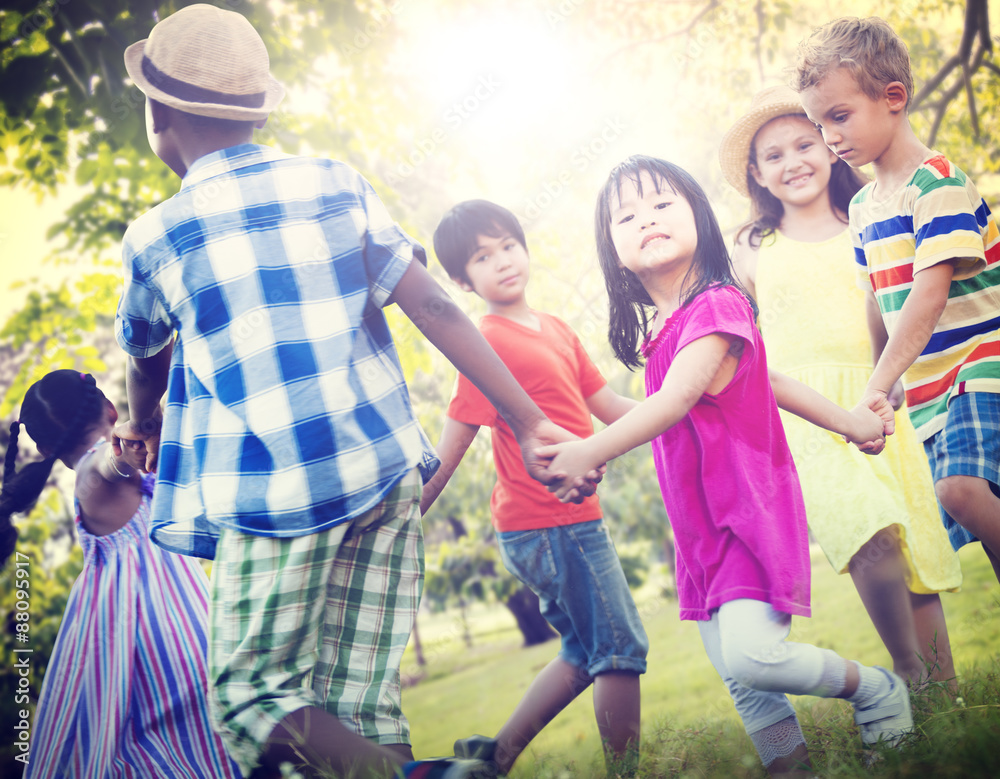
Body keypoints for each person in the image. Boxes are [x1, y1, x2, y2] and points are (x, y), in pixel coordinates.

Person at [111, 6, 590, 779]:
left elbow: (145, 357)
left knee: (249, 701)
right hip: (384, 474)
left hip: (275, 496)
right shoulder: (334, 184)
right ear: (257, 112)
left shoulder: (158, 236)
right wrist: (530, 420)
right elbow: (433, 304)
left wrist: (139, 424)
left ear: (157, 112)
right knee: (360, 702)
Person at [538, 155, 915, 777]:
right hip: (700, 530)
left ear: (699, 218)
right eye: (626, 215)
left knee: (752, 658)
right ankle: (790, 768)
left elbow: (675, 400)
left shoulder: (717, 305)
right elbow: (758, 383)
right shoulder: (668, 330)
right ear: (612, 249)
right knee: (740, 678)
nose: (646, 219)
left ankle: (877, 690)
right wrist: (849, 421)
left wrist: (592, 450)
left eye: (662, 204)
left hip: (746, 513)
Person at [720, 85, 962, 688]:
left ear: (830, 148)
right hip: (809, 416)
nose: (794, 161)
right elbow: (743, 343)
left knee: (913, 550)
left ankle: (944, 691)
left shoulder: (870, 220)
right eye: (773, 155)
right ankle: (905, 671)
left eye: (805, 143)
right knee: (867, 528)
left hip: (881, 397)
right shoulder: (751, 247)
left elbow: (902, 307)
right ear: (756, 173)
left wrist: (899, 374)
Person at [422, 199, 647, 776]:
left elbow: (611, 408)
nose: (501, 262)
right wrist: (409, 513)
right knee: (619, 652)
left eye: (507, 245)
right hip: (545, 522)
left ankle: (491, 760)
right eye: (481, 256)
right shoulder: (482, 341)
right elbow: (454, 443)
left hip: (572, 520)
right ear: (460, 280)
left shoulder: (556, 329)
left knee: (582, 654)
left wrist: (688, 405)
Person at [794, 16, 1000, 584]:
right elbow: (880, 300)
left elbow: (928, 296)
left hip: (981, 365)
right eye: (819, 123)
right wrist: (890, 381)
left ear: (893, 98)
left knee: (960, 490)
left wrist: (875, 386)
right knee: (986, 524)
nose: (830, 137)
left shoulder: (937, 185)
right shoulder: (863, 209)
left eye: (839, 116)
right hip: (934, 386)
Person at [0, 370, 240, 779]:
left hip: (162, 615)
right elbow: (104, 465)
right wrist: (119, 456)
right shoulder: (93, 475)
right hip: (157, 628)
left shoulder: (131, 453)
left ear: (43, 446)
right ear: (110, 410)